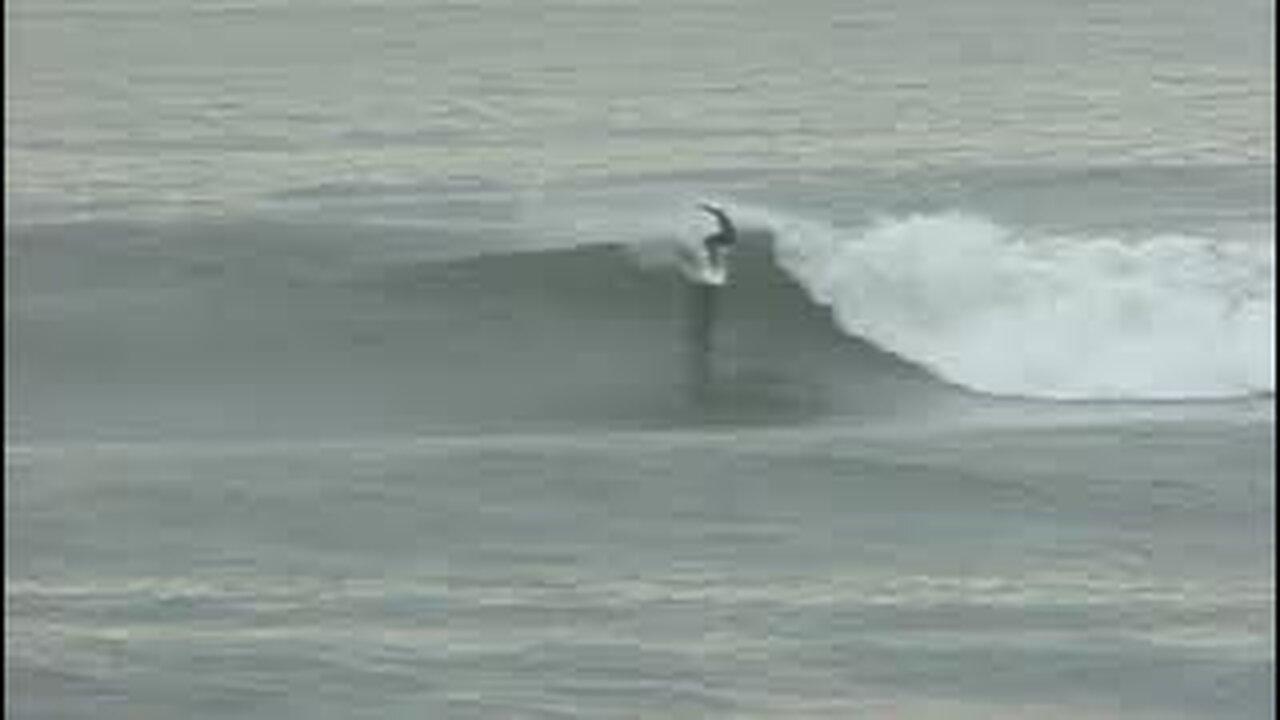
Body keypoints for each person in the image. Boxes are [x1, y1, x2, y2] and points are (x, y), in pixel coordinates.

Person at [697, 203, 737, 276]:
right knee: (708, 241)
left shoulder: (724, 218)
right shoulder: (723, 218)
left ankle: (714, 263)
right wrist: (705, 207)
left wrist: (704, 207)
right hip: (727, 236)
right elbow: (715, 212)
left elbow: (717, 212)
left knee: (709, 242)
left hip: (728, 237)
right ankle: (713, 259)